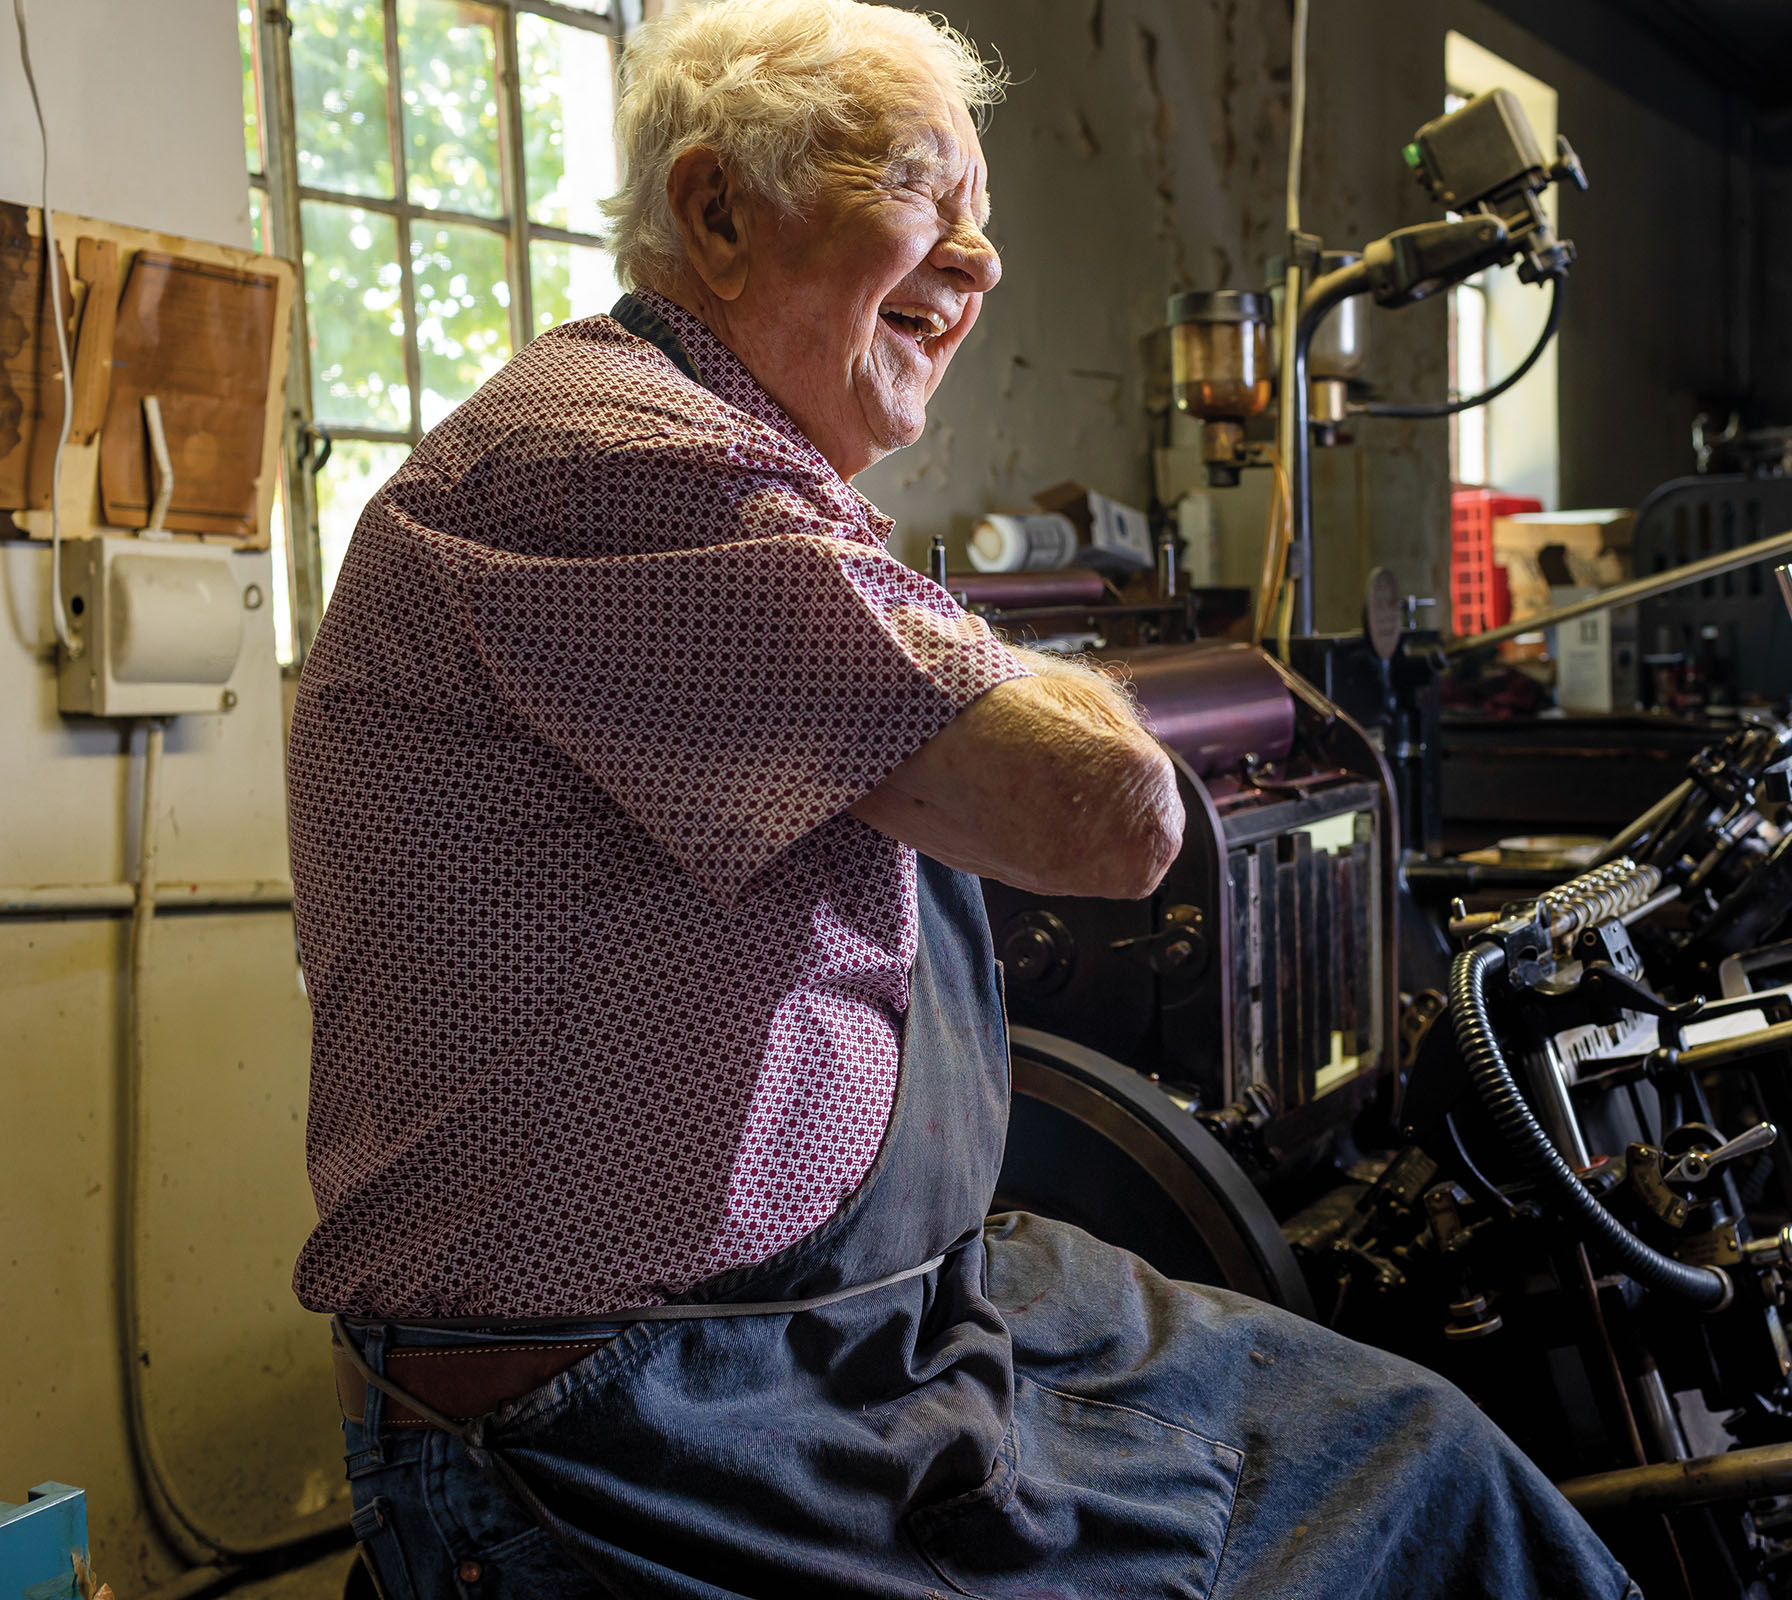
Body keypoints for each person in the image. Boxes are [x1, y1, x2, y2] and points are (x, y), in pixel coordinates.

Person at [290, 2, 1635, 1595]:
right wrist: (996, 678)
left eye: (987, 212)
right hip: (639, 1407)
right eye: (930, 192)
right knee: (1411, 1502)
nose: (985, 260)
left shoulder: (747, 481)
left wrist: (966, 659)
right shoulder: (607, 466)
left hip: (853, 1317)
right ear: (718, 212)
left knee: (1424, 1447)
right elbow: (1113, 816)